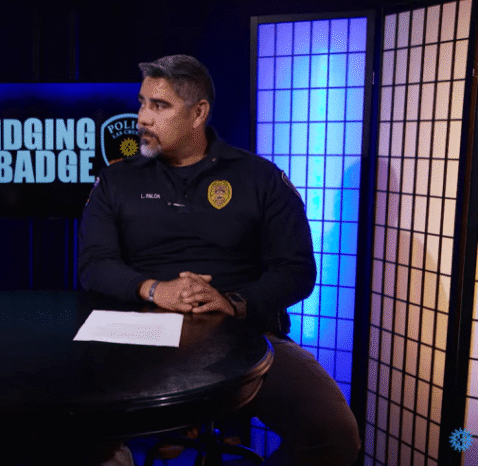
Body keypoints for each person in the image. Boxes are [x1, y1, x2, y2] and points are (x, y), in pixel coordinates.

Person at [78, 55, 361, 466]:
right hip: (137, 335)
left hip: (243, 335)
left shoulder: (260, 178)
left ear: (198, 113)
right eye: (142, 103)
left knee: (335, 435)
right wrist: (157, 290)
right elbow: (94, 264)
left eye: (159, 105)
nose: (142, 117)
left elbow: (296, 271)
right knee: (76, 434)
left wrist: (234, 302)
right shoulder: (116, 179)